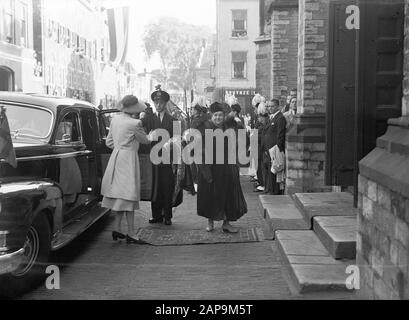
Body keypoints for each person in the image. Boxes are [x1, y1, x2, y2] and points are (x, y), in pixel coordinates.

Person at [101, 95, 152, 244]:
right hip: (129, 159)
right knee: (129, 195)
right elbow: (145, 140)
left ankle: (117, 229)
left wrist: (120, 146)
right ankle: (131, 233)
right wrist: (152, 135)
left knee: (119, 196)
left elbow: (109, 142)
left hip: (116, 157)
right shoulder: (135, 123)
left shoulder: (115, 120)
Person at [196, 102, 248, 233]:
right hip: (210, 167)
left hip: (227, 167)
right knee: (210, 195)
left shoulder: (228, 127)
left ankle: (226, 223)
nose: (218, 118)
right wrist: (205, 170)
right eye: (215, 115)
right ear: (211, 116)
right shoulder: (205, 128)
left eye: (220, 115)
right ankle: (210, 221)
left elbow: (242, 139)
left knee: (228, 195)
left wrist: (240, 123)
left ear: (223, 116)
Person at [149, 86, 177, 226]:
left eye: (160, 103)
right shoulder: (149, 119)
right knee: (155, 186)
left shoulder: (173, 119)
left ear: (165, 104)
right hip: (153, 158)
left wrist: (170, 143)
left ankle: (167, 215)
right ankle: (156, 215)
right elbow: (143, 136)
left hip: (167, 158)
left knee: (167, 186)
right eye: (156, 102)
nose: (158, 105)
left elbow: (178, 138)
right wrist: (149, 137)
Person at [261, 99, 287, 195]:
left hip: (275, 149)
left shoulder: (280, 118)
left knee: (275, 170)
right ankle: (270, 189)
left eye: (272, 106)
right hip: (269, 149)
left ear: (278, 107)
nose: (270, 108)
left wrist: (277, 149)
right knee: (270, 170)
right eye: (269, 106)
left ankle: (275, 191)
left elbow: (280, 135)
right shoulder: (271, 118)